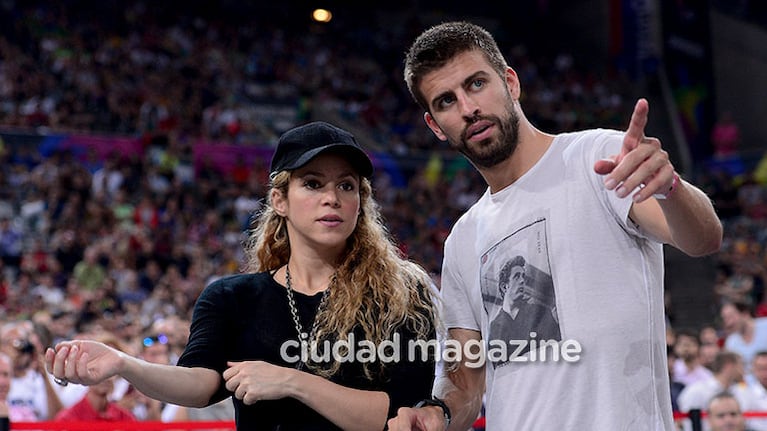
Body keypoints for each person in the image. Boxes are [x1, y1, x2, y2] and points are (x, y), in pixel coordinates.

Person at [388, 21, 723, 430]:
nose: (467, 108)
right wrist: (435, 412)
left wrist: (671, 187)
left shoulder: (595, 157)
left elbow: (703, 238)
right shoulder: (462, 239)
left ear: (510, 83)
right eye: (445, 101)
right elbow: (466, 382)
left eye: (476, 84)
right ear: (436, 126)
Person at [45, 121, 440, 430]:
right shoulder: (232, 297)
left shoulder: (402, 294)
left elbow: (400, 415)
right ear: (280, 200)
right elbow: (200, 384)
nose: (332, 197)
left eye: (346, 185)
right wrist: (124, 363)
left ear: (360, 203)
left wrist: (291, 382)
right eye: (313, 183)